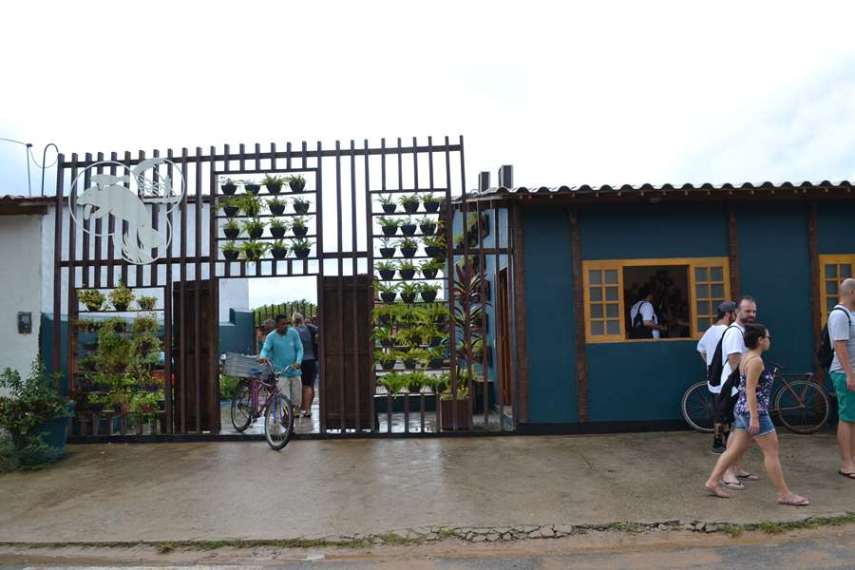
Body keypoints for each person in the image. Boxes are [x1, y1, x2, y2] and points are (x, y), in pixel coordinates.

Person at [704, 324, 810, 506]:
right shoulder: (756, 361)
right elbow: (750, 390)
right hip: (755, 412)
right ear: (760, 340)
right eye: (768, 337)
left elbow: (747, 386)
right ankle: (784, 494)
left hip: (743, 410)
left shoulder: (746, 357)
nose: (769, 341)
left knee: (734, 450)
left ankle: (712, 481)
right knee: (771, 452)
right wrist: (754, 417)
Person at [715, 295, 758, 489]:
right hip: (735, 388)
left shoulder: (743, 331)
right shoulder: (734, 332)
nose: (751, 315)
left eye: (754, 311)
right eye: (747, 311)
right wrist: (747, 385)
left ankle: (737, 467)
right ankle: (727, 472)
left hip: (740, 386)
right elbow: (734, 361)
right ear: (737, 312)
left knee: (742, 430)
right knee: (736, 430)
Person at [697, 301, 737, 453]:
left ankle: (723, 443)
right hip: (726, 377)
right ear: (728, 314)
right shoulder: (728, 331)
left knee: (721, 411)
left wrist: (710, 364)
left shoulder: (710, 331)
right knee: (724, 413)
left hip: (713, 377)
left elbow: (701, 349)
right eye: (734, 313)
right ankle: (719, 443)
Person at [829, 278, 855, 479]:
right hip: (844, 373)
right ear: (851, 292)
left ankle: (851, 459)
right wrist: (849, 374)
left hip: (850, 372)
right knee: (847, 418)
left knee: (852, 418)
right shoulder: (839, 315)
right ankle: (847, 463)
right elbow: (840, 346)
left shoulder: (850, 315)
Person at [258, 315, 303, 406]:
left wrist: (298, 362)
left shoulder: (293, 333)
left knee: (297, 401)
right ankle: (286, 418)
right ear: (277, 325)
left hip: (295, 371)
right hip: (280, 372)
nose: (285, 326)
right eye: (282, 324)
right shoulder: (271, 337)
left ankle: (292, 414)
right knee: (285, 400)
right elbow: (265, 349)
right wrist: (262, 357)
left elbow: (299, 348)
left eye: (287, 323)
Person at [292, 312, 319, 418]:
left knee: (298, 386)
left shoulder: (293, 331)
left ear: (293, 321)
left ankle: (297, 410)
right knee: (309, 386)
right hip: (311, 360)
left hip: (298, 362)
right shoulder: (311, 328)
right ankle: (308, 410)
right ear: (302, 319)